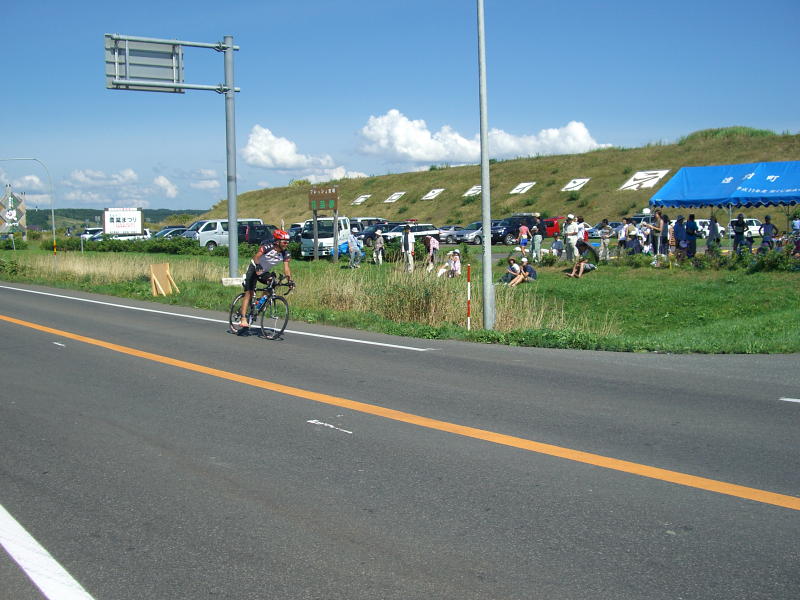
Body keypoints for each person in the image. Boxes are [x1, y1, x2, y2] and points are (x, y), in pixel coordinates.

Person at [238, 229, 293, 330]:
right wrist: (258, 265)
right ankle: (243, 318)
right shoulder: (268, 247)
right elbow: (256, 257)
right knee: (249, 292)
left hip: (264, 272)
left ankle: (259, 303)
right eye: (284, 242)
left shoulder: (285, 253)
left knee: (273, 283)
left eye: (287, 242)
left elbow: (286, 268)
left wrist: (290, 281)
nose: (286, 244)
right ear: (277, 242)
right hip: (254, 268)